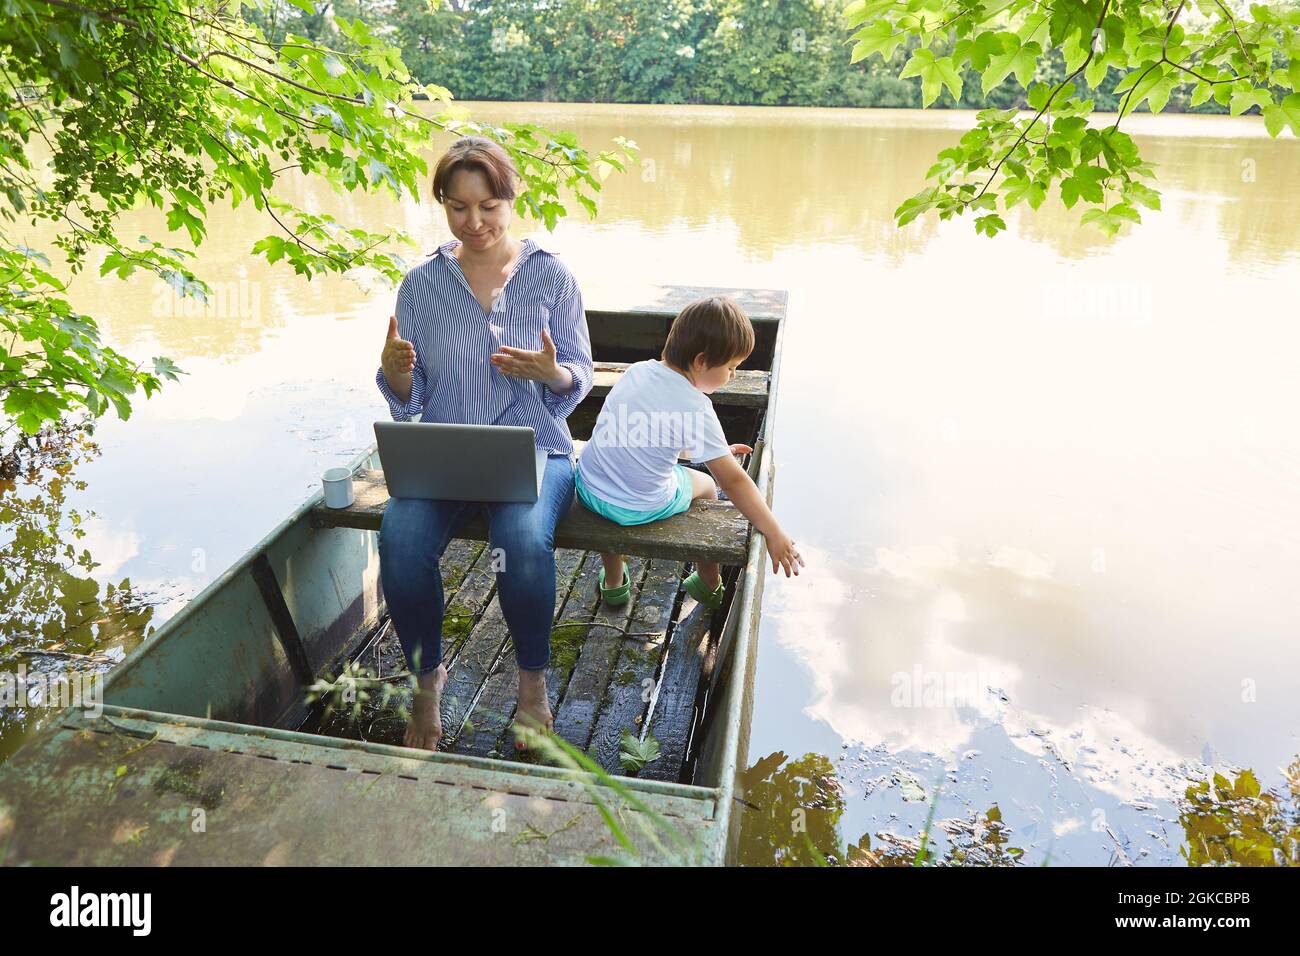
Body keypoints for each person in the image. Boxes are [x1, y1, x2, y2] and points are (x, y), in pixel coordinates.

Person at [376, 135, 593, 751]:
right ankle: (428, 678)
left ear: (511, 198)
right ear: (443, 206)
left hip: (537, 448)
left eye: (488, 206)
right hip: (445, 454)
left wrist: (551, 374)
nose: (474, 222)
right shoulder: (420, 285)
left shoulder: (550, 276)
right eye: (458, 207)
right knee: (401, 539)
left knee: (521, 543)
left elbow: (580, 372)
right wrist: (396, 374)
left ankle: (531, 686)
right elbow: (409, 396)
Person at [574, 296, 803, 611]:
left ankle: (614, 582)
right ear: (701, 361)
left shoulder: (637, 372)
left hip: (590, 489)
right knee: (709, 485)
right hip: (638, 507)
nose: (733, 375)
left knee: (616, 472)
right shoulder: (695, 406)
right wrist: (774, 531)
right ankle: (708, 580)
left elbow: (639, 436)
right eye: (731, 367)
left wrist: (715, 451)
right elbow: (734, 482)